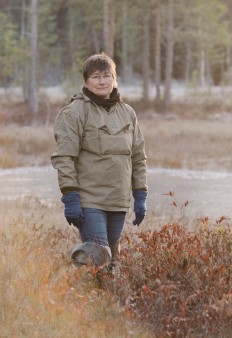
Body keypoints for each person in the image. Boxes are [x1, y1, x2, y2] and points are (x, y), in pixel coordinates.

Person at [51, 53, 148, 265]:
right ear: (86, 81)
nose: (102, 81)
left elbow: (138, 157)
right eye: (96, 76)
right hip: (89, 198)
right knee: (99, 253)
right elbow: (65, 157)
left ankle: (105, 296)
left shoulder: (127, 113)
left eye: (107, 75)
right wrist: (70, 197)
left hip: (118, 198)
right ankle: (76, 263)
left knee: (112, 260)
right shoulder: (75, 112)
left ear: (114, 79)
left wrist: (140, 194)